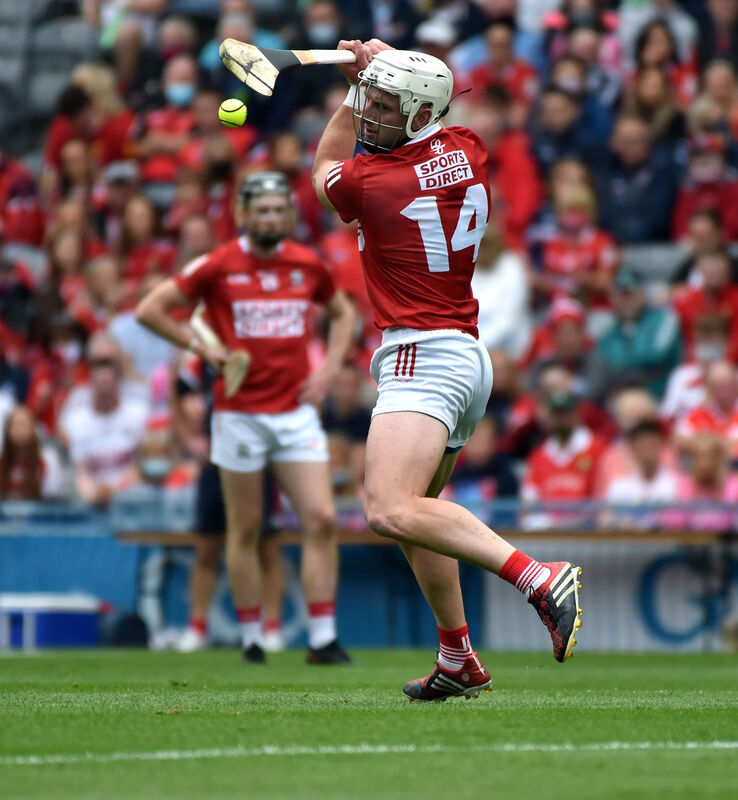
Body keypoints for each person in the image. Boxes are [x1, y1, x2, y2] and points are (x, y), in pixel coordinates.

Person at [312, 40, 583, 702]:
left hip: (421, 354)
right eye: (370, 103)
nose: (370, 113)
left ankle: (538, 577)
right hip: (466, 356)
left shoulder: (372, 184)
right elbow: (416, 128)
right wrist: (380, 67)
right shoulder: (467, 146)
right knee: (418, 512)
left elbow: (324, 164)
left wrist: (352, 87)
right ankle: (457, 655)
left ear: (415, 111)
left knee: (387, 509)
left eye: (383, 105)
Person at [136, 171, 356, 664]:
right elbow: (150, 309)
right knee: (245, 528)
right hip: (237, 415)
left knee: (320, 518)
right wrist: (202, 348)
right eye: (262, 210)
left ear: (290, 216)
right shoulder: (218, 265)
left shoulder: (307, 264)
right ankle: (253, 636)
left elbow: (343, 314)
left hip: (295, 413)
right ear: (242, 213)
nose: (271, 218)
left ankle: (322, 638)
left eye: (279, 210)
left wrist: (329, 369)